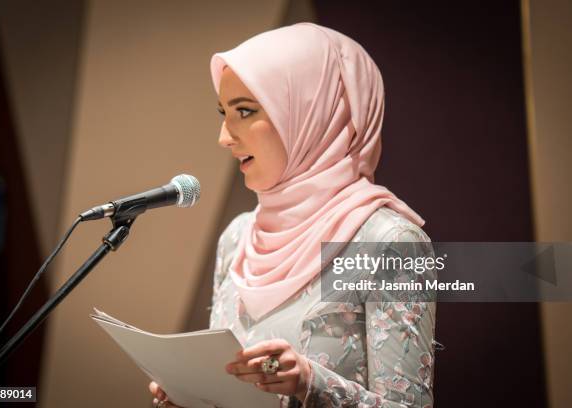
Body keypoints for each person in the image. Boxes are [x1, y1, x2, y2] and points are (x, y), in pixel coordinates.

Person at [149, 22, 437, 408]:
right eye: (224, 113)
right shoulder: (238, 236)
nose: (224, 136)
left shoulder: (389, 242)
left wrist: (309, 383)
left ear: (311, 113)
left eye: (245, 111)